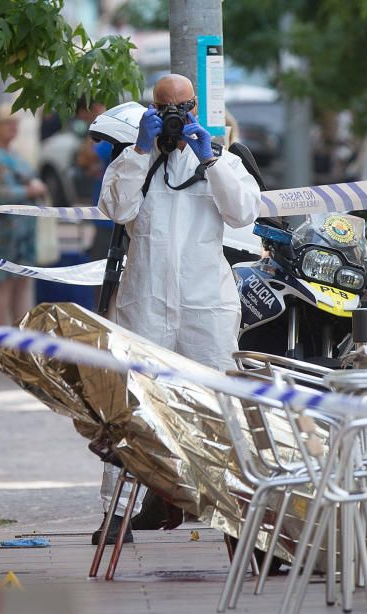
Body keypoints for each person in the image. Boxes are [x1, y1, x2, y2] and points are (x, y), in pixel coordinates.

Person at [92, 74, 262, 544]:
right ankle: (117, 514)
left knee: (219, 407)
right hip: (145, 302)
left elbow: (244, 212)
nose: (174, 117)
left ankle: (236, 518)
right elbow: (115, 209)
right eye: (165, 108)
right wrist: (141, 150)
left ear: (195, 109)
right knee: (129, 407)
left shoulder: (220, 160)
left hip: (204, 305)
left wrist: (210, 157)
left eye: (183, 108)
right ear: (151, 109)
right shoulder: (134, 160)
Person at [0, 104, 48, 325]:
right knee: (4, 284)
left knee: (22, 284)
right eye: (8, 123)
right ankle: (1, 343)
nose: (13, 128)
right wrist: (30, 189)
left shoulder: (12, 154)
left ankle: (20, 342)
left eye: (16, 124)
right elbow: (1, 193)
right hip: (5, 232)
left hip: (24, 231)